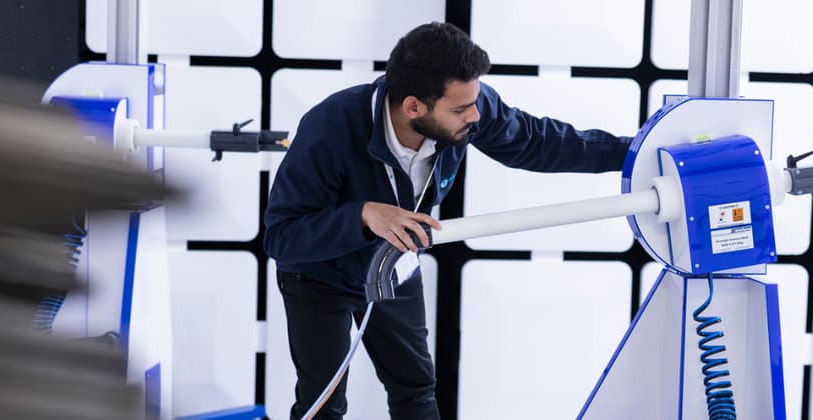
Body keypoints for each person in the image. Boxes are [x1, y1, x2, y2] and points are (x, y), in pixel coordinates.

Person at [264, 22, 632, 420]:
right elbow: (282, 236)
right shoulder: (330, 126)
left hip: (393, 266)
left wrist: (632, 151)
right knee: (323, 406)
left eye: (475, 101)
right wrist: (363, 214)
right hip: (319, 277)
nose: (476, 115)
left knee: (416, 392)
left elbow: (539, 143)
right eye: (460, 109)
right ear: (413, 107)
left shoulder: (471, 107)